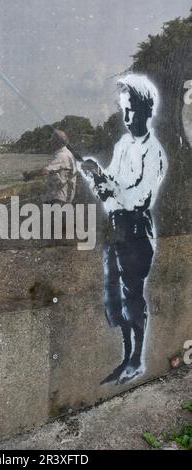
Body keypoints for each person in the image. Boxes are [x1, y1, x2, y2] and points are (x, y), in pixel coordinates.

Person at [78, 74, 168, 385]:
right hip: (116, 230)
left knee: (133, 298)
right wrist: (95, 175)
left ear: (145, 110)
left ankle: (137, 361)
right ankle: (126, 358)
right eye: (123, 110)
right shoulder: (122, 145)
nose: (126, 116)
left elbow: (137, 198)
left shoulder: (152, 152)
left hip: (137, 233)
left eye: (130, 110)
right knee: (115, 298)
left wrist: (108, 185)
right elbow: (111, 194)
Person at [23, 129, 77, 205]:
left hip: (59, 198)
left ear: (57, 142)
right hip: (62, 198)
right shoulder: (68, 154)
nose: (51, 143)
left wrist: (30, 175)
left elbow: (44, 171)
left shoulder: (62, 156)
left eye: (52, 140)